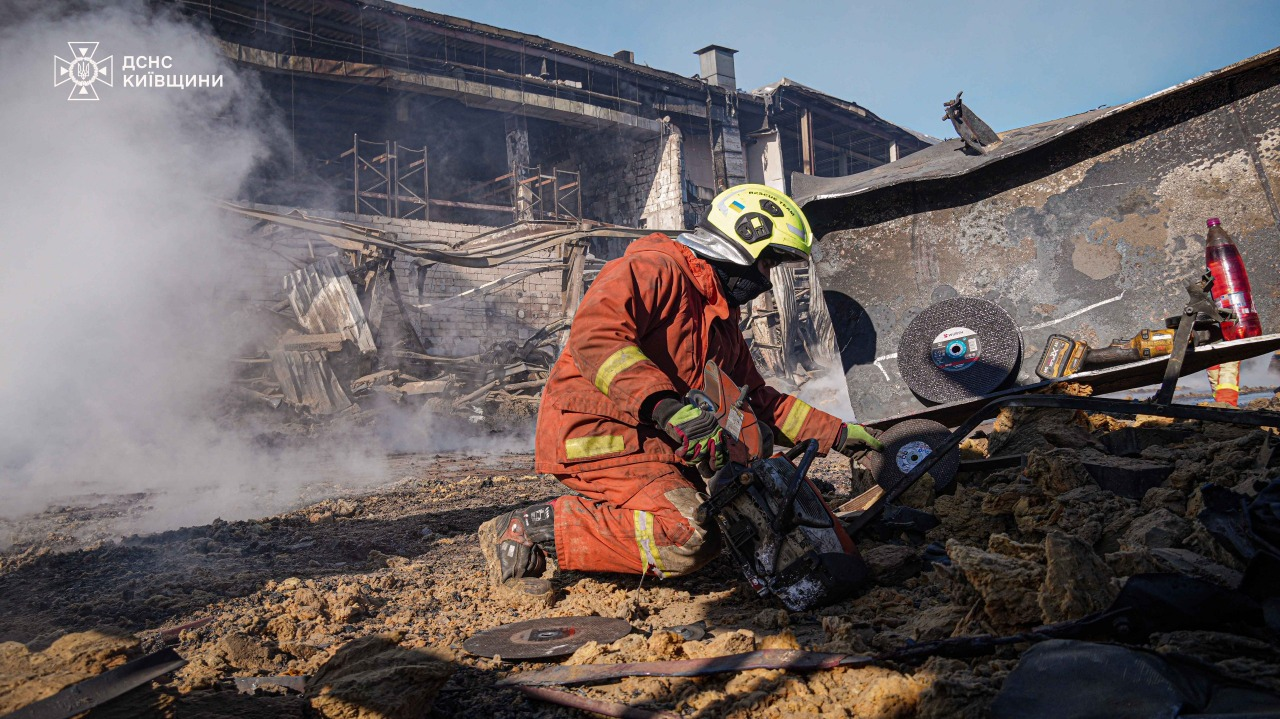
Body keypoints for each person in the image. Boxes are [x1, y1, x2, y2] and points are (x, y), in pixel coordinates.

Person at [477, 184, 883, 601]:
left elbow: (756, 400)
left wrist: (838, 434)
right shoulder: (651, 269)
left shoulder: (720, 317)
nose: (766, 280)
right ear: (743, 244)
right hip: (603, 436)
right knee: (689, 535)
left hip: (658, 443)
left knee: (748, 508)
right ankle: (529, 527)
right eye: (769, 263)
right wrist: (668, 408)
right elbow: (597, 340)